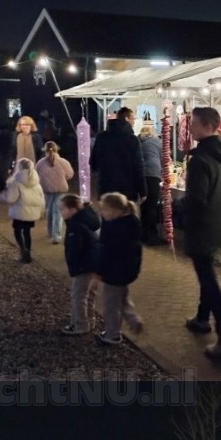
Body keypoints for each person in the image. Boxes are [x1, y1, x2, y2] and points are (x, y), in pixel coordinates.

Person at [183, 106, 221, 359]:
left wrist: (176, 208)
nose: (190, 128)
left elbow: (196, 200)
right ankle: (201, 318)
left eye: (193, 124)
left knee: (208, 278)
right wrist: (219, 204)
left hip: (200, 227)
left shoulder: (200, 160)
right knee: (206, 273)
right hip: (216, 224)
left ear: (207, 126)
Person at [95, 191, 144, 345]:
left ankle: (112, 334)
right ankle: (133, 318)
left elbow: (106, 252)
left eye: (104, 210)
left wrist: (99, 271)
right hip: (127, 271)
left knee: (111, 305)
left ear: (115, 211)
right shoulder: (132, 223)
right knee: (123, 297)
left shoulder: (113, 227)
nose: (102, 213)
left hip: (113, 272)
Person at [90, 107, 145, 202]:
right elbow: (138, 167)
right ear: (127, 119)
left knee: (108, 215)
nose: (134, 122)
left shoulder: (101, 138)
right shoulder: (132, 139)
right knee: (126, 215)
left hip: (105, 190)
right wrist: (143, 191)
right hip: (127, 192)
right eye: (133, 119)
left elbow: (93, 163)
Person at [1, 156, 44, 263]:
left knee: (17, 231)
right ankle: (28, 252)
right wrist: (42, 210)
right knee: (27, 232)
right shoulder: (36, 182)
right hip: (32, 213)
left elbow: (11, 198)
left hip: (19, 212)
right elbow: (41, 197)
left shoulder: (16, 182)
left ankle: (23, 250)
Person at [36, 141, 74, 244]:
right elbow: (70, 174)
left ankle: (49, 232)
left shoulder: (40, 163)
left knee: (49, 210)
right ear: (56, 149)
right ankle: (56, 235)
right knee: (57, 211)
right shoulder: (63, 162)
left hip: (47, 189)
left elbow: (36, 175)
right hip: (60, 188)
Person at [138, 120, 164, 243]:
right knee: (152, 205)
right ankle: (152, 235)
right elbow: (163, 158)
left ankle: (143, 233)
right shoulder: (156, 141)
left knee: (144, 204)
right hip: (153, 173)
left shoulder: (138, 140)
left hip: (141, 174)